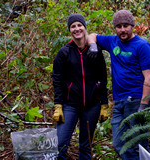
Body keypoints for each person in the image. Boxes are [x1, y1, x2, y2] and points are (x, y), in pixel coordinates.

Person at [87, 10, 150, 160]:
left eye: (126, 26)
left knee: (139, 144)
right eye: (119, 26)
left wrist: (143, 105)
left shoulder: (142, 46)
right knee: (119, 144)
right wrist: (92, 46)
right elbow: (91, 35)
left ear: (132, 26)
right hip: (119, 102)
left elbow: (149, 78)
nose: (122, 30)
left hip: (137, 100)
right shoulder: (113, 41)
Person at [52, 13, 108, 160]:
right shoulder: (64, 52)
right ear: (69, 30)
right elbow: (57, 79)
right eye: (73, 26)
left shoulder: (95, 51)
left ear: (84, 27)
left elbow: (103, 78)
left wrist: (104, 104)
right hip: (69, 104)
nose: (77, 29)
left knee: (85, 145)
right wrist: (58, 105)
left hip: (92, 105)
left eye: (79, 25)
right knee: (60, 144)